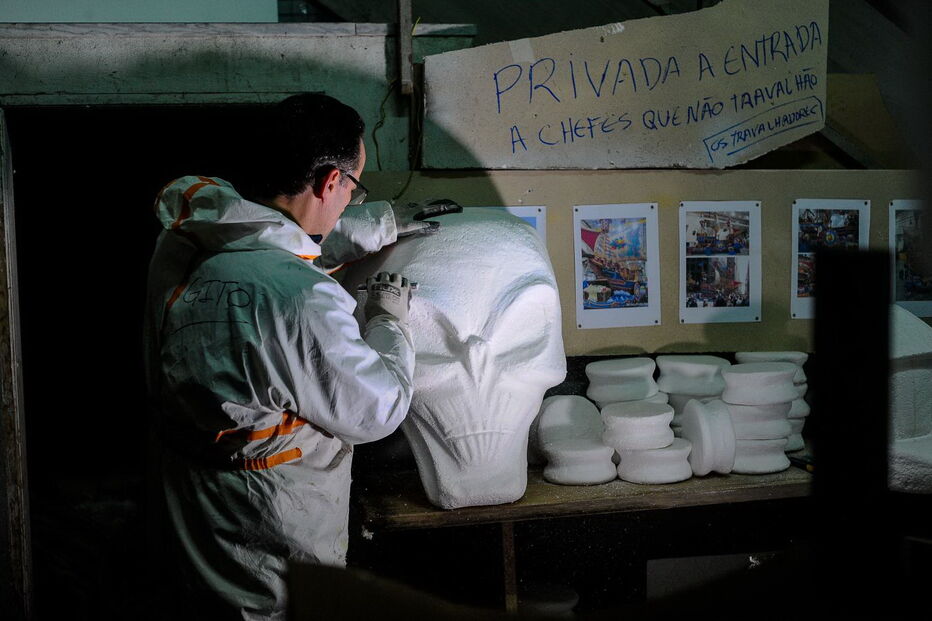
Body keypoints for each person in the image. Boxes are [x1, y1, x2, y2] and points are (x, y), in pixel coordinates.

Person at [144, 93, 454, 620]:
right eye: (354, 188)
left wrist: (374, 224)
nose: (350, 200)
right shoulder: (304, 300)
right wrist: (387, 321)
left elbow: (258, 244)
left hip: (193, 531)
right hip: (272, 547)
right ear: (332, 181)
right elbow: (377, 409)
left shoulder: (180, 247)